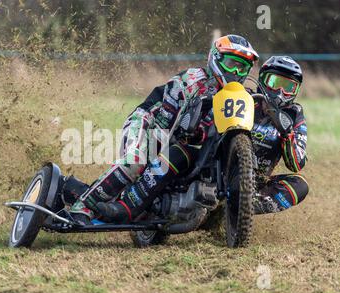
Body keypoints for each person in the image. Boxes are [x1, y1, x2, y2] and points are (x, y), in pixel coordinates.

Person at [69, 34, 260, 224]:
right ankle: (83, 206)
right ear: (216, 59)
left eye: (242, 67)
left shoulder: (239, 97)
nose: (235, 72)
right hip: (149, 122)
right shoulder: (192, 80)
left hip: (180, 145)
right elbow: (164, 126)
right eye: (231, 63)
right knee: (136, 160)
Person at [250, 56, 309, 214]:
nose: (281, 92)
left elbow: (296, 164)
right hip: (222, 170)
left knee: (300, 185)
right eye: (275, 83)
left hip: (256, 182)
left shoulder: (294, 115)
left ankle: (249, 207)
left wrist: (286, 133)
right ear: (263, 80)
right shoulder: (246, 99)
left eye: (289, 87)